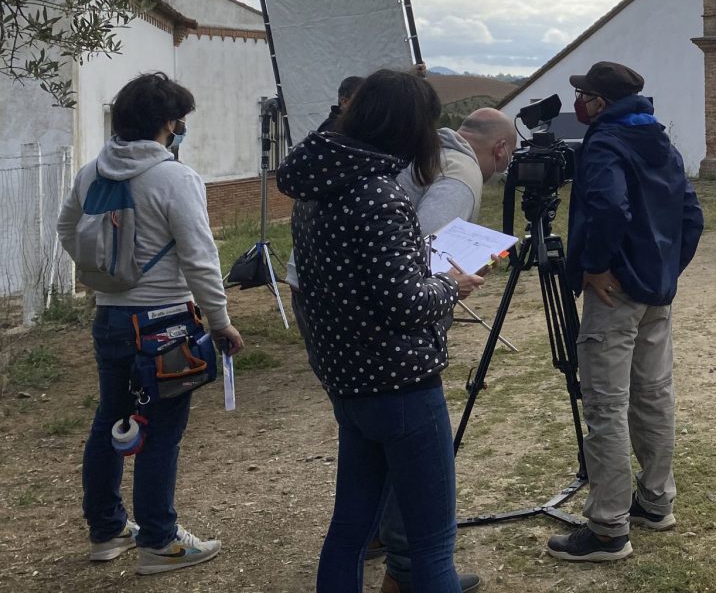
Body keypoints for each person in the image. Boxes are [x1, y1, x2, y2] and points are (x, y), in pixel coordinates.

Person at [278, 69, 487, 593]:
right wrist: (451, 285)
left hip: (348, 380)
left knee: (350, 529)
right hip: (401, 387)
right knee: (432, 545)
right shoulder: (378, 195)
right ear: (408, 128)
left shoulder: (318, 188)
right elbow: (404, 303)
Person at [57, 73, 246, 575]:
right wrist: (221, 321)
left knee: (111, 419)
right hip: (165, 321)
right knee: (160, 432)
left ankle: (107, 530)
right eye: (179, 120)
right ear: (168, 123)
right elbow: (200, 257)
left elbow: (65, 228)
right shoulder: (175, 178)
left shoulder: (92, 173)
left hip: (110, 316)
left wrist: (103, 273)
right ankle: (160, 540)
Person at [548, 61, 704, 563]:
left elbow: (610, 207)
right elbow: (692, 215)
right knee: (654, 395)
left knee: (606, 405)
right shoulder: (660, 141)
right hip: (655, 292)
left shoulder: (605, 143)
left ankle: (608, 527)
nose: (579, 103)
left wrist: (595, 265)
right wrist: (665, 270)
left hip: (614, 294)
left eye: (584, 95)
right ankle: (656, 502)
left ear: (600, 102)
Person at [374, 107, 516, 593]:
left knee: (376, 437)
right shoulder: (463, 173)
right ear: (500, 149)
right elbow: (424, 255)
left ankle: (383, 540)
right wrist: (460, 278)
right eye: (508, 158)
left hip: (348, 321)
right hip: (401, 328)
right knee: (416, 445)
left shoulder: (426, 152)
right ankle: (411, 566)